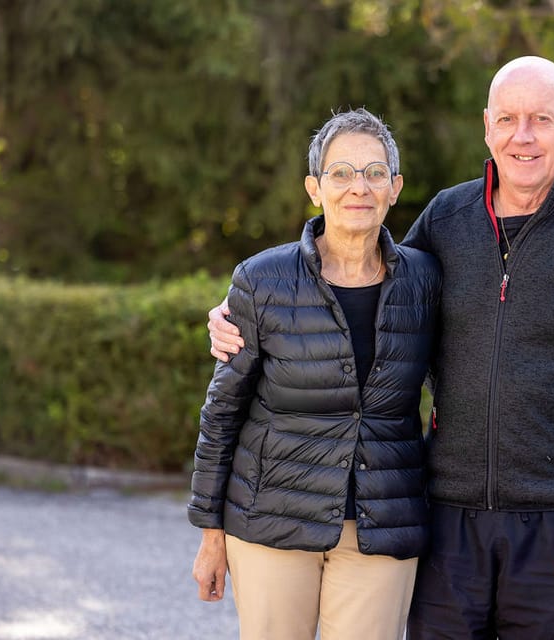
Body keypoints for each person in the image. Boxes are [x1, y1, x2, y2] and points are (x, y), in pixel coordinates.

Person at [209, 56, 554, 639]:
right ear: (486, 126)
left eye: (541, 119)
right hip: (446, 521)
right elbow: (365, 276)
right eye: (507, 119)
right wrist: (237, 312)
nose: (522, 136)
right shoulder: (448, 216)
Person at [189, 108, 441, 640]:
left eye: (375, 173)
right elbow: (223, 411)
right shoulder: (263, 279)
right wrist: (211, 531)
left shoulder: (425, 280)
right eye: (341, 172)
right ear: (314, 187)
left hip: (382, 522)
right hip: (270, 521)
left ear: (395, 188)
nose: (359, 187)